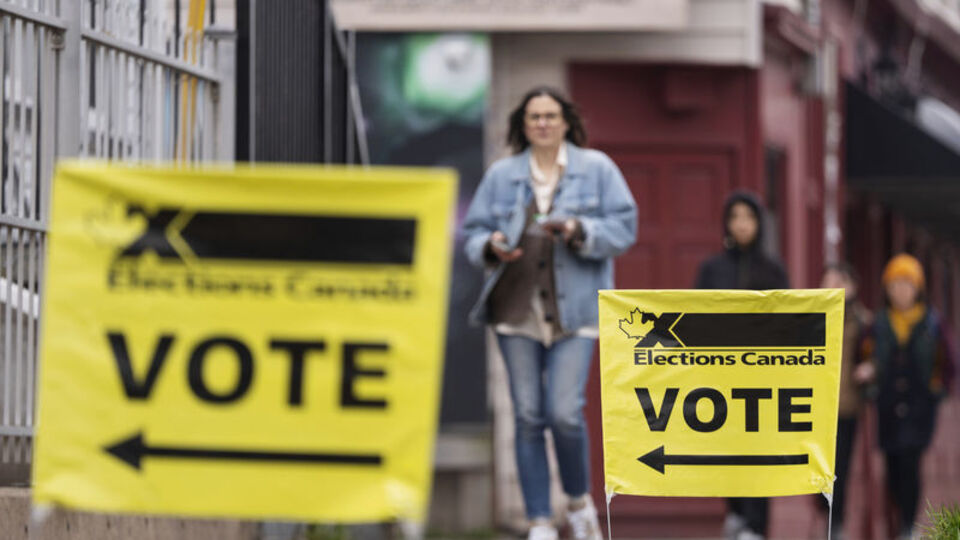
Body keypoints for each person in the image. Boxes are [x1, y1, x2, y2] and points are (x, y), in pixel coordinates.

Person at [461, 86, 637, 540]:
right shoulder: (502, 176)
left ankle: (578, 505)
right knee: (526, 415)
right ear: (523, 124)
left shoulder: (596, 169)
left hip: (575, 311)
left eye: (550, 115)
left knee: (563, 412)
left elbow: (625, 227)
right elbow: (472, 233)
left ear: (565, 121)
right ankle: (539, 519)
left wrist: (580, 229)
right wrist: (490, 247)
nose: (542, 123)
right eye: (534, 116)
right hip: (515, 312)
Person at [694, 190, 789, 540]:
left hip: (762, 379)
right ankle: (735, 513)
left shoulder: (773, 269)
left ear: (759, 223)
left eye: (747, 217)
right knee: (726, 447)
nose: (741, 225)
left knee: (759, 449)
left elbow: (788, 322)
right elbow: (694, 316)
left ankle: (756, 523)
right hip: (721, 377)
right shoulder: (712, 268)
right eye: (734, 217)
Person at [859, 253, 954, 539]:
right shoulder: (878, 324)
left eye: (907, 284)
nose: (901, 290)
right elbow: (863, 355)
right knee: (892, 466)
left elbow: (948, 362)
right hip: (887, 405)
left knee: (911, 463)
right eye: (895, 284)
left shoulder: (932, 324)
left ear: (918, 288)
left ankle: (909, 526)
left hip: (919, 406)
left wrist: (938, 390)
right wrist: (868, 381)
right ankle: (897, 520)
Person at [816, 263, 872, 540]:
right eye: (828, 281)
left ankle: (835, 525)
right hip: (813, 407)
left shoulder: (862, 321)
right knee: (815, 469)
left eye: (840, 281)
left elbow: (875, 354)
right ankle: (823, 516)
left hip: (846, 406)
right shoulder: (811, 316)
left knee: (840, 472)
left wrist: (870, 368)